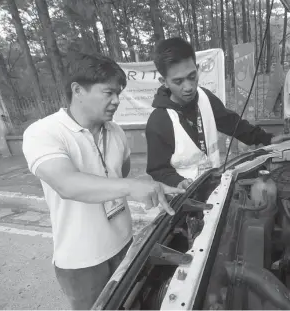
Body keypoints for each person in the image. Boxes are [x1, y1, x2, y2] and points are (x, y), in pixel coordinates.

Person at [22, 53, 184, 310]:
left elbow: (121, 175)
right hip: (83, 261)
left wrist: (148, 185)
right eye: (109, 92)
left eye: (119, 93)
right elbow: (67, 184)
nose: (117, 101)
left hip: (126, 246)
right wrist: (131, 187)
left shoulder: (115, 131)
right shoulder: (44, 132)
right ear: (78, 90)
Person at [145, 37, 290, 190]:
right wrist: (177, 181)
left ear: (197, 68)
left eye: (192, 76)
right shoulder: (159, 121)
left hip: (214, 188)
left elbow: (232, 123)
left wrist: (267, 138)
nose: (188, 87)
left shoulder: (205, 97)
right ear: (164, 81)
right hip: (184, 200)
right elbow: (158, 170)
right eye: (178, 81)